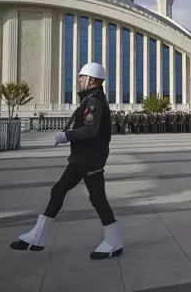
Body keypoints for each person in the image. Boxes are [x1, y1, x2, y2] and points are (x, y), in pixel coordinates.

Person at [9, 63, 123, 260]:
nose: (79, 80)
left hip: (88, 158)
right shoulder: (90, 99)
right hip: (84, 157)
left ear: (92, 79)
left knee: (88, 196)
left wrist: (67, 136)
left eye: (82, 76)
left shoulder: (94, 101)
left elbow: (91, 130)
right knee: (67, 192)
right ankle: (38, 235)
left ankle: (113, 242)